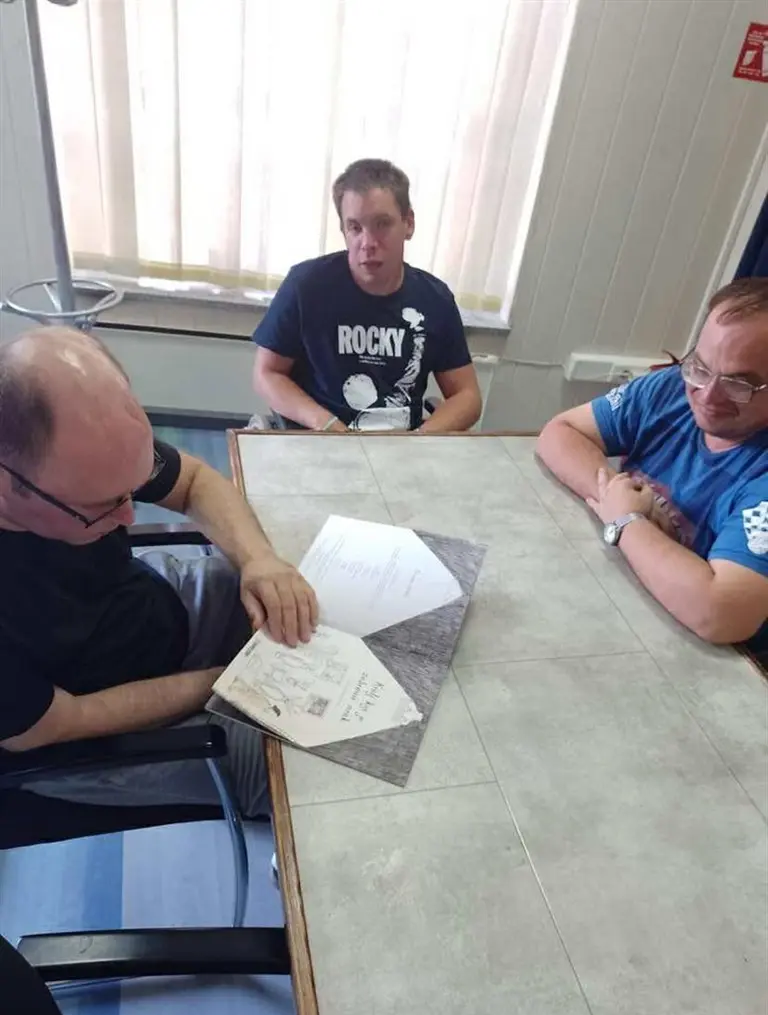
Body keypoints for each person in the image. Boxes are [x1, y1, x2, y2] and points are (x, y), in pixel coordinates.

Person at [0, 327, 318, 818]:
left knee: (311, 602)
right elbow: (60, 721)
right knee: (310, 769)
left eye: (133, 491)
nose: (130, 517)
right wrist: (225, 681)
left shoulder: (77, 457)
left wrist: (258, 560)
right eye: (103, 506)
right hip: (85, 727)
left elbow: (193, 480)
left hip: (146, 611)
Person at [536, 277, 768, 654]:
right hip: (631, 592)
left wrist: (627, 522)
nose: (706, 395)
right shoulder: (669, 389)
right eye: (700, 367)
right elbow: (559, 432)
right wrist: (616, 497)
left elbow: (720, 614)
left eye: (738, 385)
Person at [252, 158, 482, 432]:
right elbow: (267, 373)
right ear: (343, 230)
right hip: (321, 437)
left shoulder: (435, 299)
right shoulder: (305, 286)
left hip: (402, 442)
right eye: (355, 227)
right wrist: (325, 424)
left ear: (408, 223)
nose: (368, 243)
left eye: (382, 224)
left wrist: (420, 439)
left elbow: (467, 396)